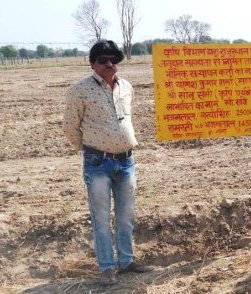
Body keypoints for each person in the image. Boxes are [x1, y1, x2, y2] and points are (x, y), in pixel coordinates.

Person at [63, 40, 153, 285]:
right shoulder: (80, 90)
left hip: (126, 162)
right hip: (97, 164)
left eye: (114, 59)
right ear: (92, 63)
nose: (109, 64)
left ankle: (126, 261)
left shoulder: (126, 87)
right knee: (101, 218)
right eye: (103, 60)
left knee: (126, 216)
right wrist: (89, 148)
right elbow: (70, 127)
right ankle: (107, 268)